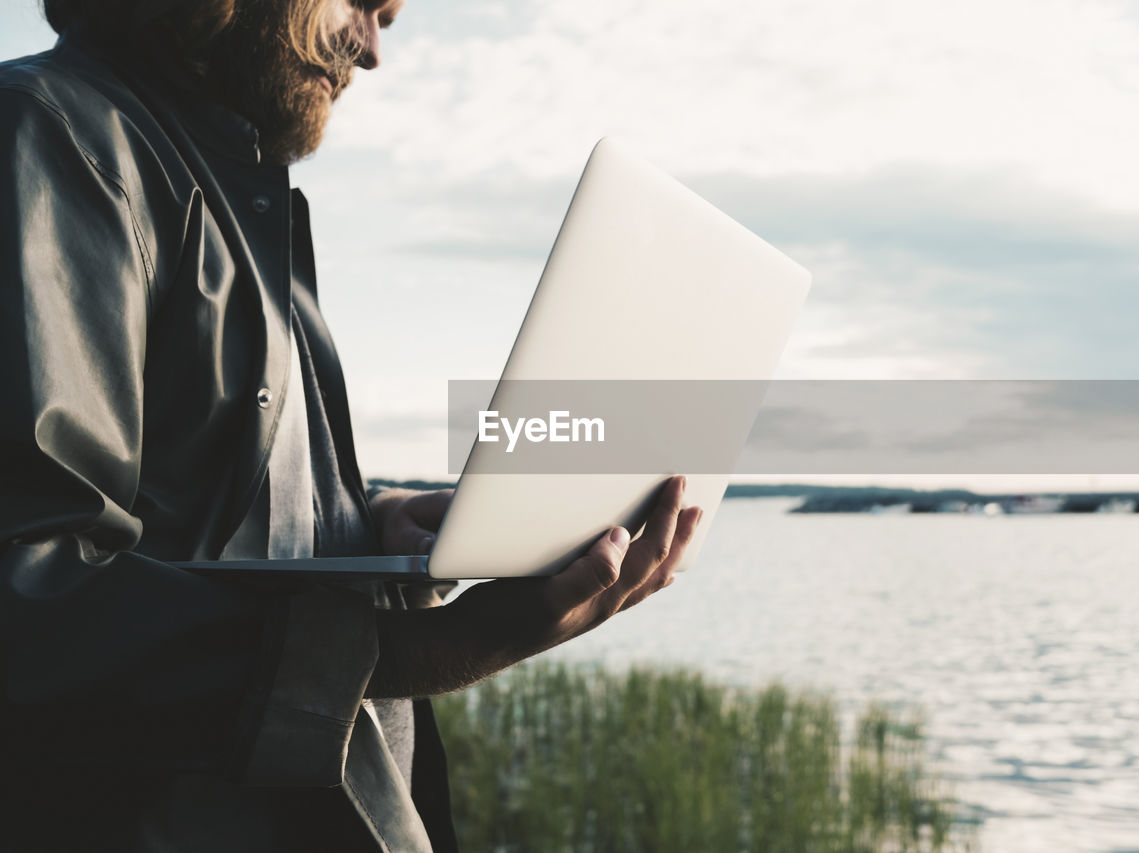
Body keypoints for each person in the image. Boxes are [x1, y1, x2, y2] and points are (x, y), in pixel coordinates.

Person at [0, 1, 703, 850]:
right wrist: (448, 642)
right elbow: (30, 594)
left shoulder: (252, 206)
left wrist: (367, 525)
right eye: (367, 5)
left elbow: (210, 512)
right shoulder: (53, 132)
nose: (371, 50)